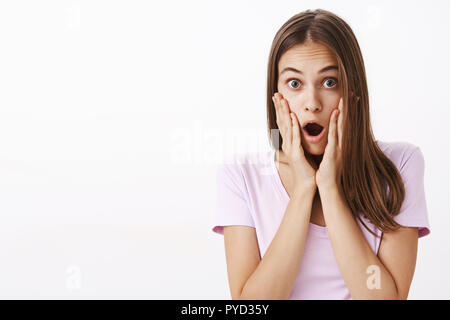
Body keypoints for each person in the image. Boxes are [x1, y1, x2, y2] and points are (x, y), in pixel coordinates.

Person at [212, 9, 431, 300]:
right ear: (275, 95)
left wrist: (328, 189)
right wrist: (304, 188)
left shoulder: (401, 164)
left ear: (354, 92)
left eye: (330, 82)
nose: (312, 104)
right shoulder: (241, 175)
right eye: (294, 84)